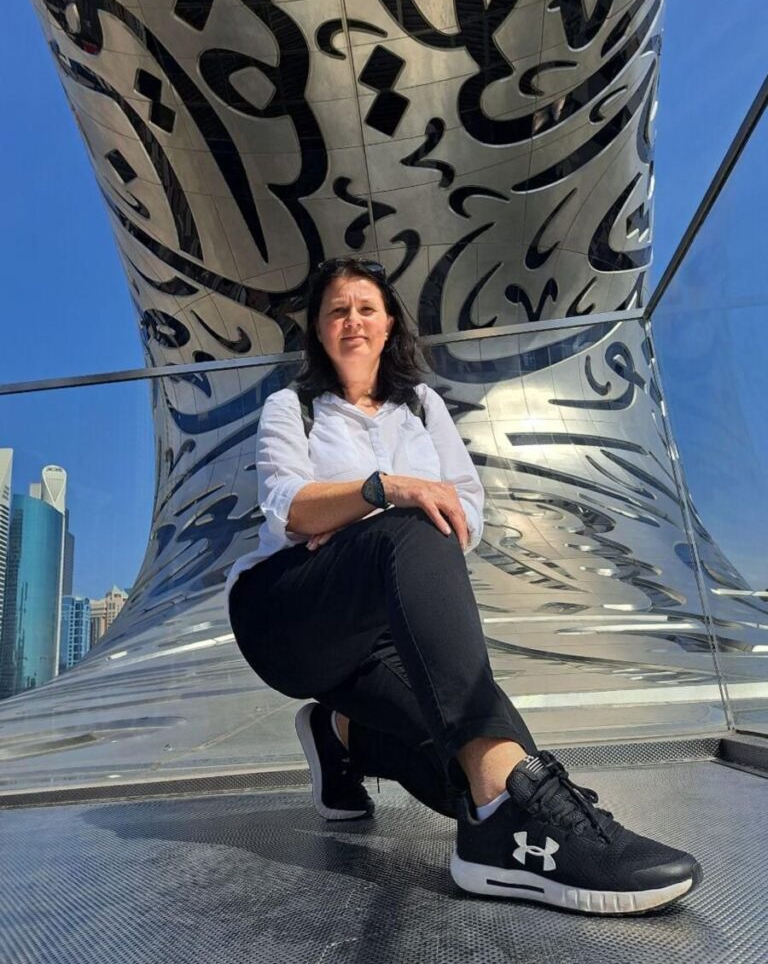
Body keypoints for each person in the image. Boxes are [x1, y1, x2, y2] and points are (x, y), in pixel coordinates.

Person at [227, 255, 703, 915]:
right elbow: (290, 506)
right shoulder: (293, 407)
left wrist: (368, 517)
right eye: (337, 311)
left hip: (383, 629)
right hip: (290, 613)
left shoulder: (422, 407)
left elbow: (465, 507)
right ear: (318, 329)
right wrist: (385, 493)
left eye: (366, 308)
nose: (352, 321)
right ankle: (503, 825)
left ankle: (346, 739)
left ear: (389, 324)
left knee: (468, 768)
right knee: (412, 524)